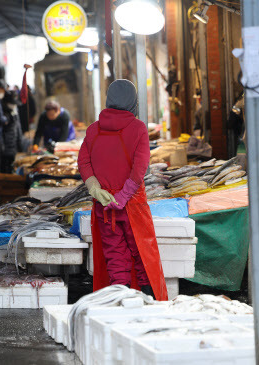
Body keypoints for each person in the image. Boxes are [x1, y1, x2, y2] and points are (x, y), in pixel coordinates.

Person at [77, 79, 167, 300]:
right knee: (142, 254)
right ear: (133, 102)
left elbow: (83, 161)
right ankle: (149, 304)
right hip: (132, 205)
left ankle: (120, 304)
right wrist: (124, 196)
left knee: (115, 256)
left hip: (105, 206)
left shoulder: (93, 130)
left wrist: (96, 189)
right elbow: (140, 168)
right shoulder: (138, 128)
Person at [0, 91, 25, 173]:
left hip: (13, 146)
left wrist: (20, 145)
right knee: (4, 169)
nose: (14, 105)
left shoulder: (14, 112)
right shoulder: (1, 114)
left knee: (12, 168)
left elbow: (18, 129)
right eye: (12, 103)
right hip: (4, 147)